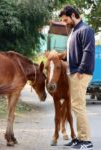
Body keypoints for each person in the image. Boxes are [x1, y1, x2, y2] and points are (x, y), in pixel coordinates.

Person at [59, 6, 95, 150]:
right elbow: (73, 52)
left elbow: (88, 51)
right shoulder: (74, 31)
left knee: (78, 106)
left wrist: (80, 69)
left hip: (80, 73)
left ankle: (86, 141)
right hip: (73, 72)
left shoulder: (85, 30)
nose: (65, 22)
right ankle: (78, 138)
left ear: (73, 15)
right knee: (75, 105)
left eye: (66, 19)